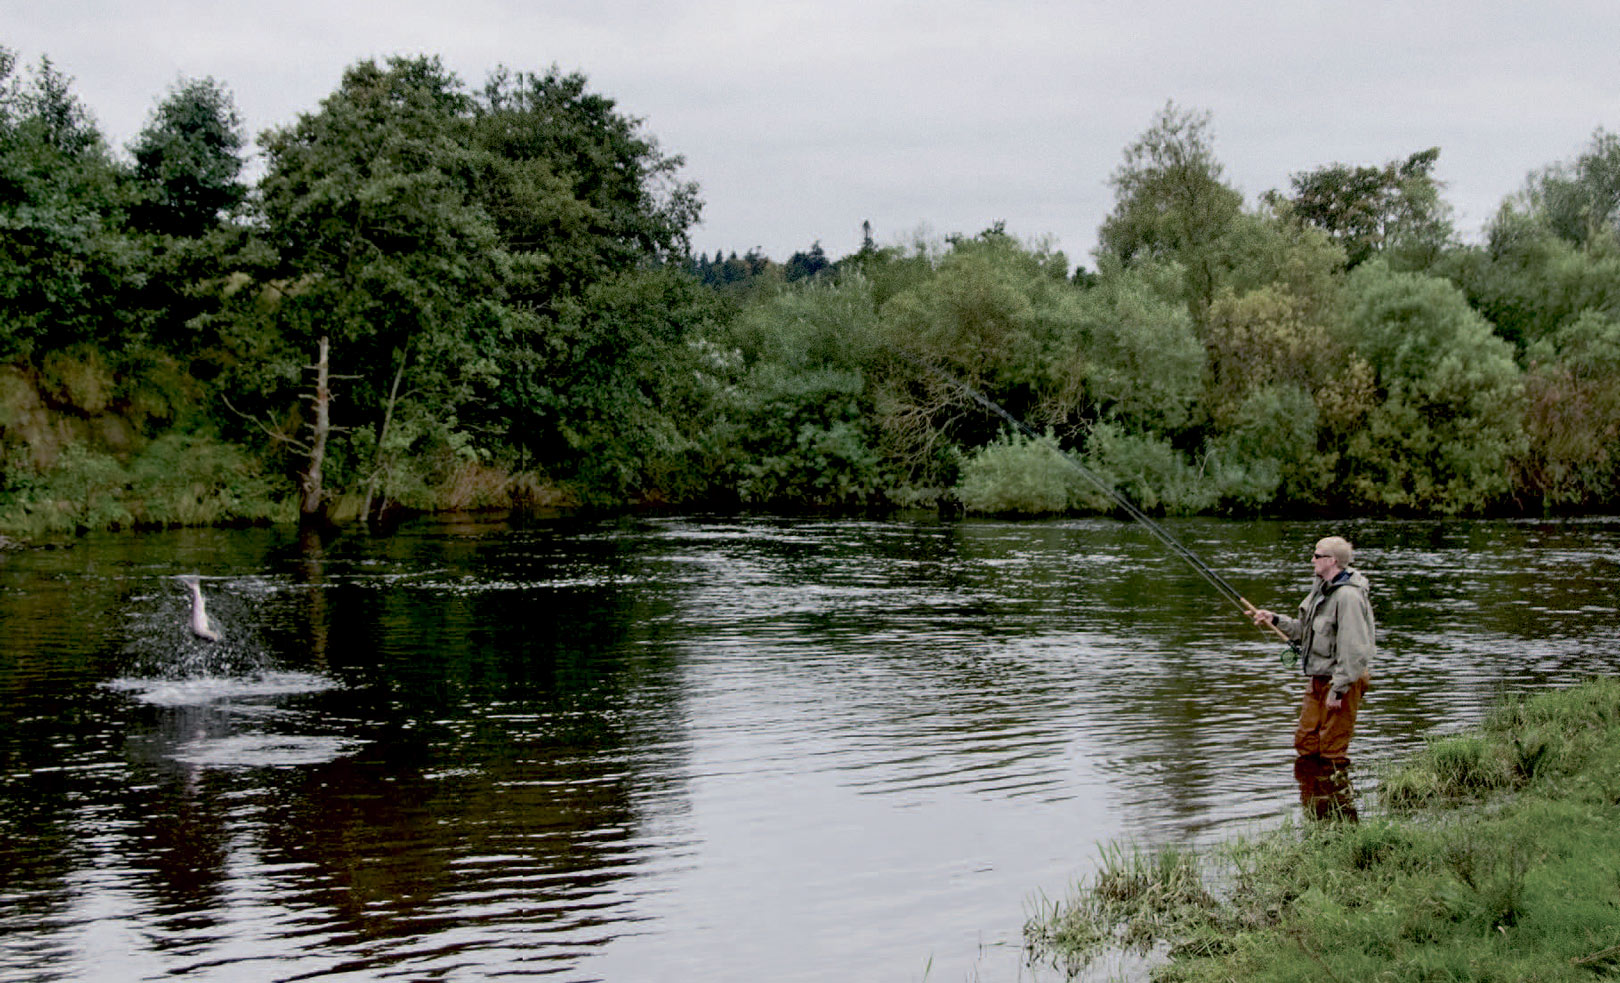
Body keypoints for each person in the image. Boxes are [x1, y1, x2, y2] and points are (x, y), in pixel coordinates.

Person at [1250, 536, 1374, 763]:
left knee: (1332, 751)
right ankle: (1312, 797)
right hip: (1318, 678)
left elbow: (1354, 650)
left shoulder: (1348, 597)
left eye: (1317, 556)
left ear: (1332, 561)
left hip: (1342, 681)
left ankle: (1336, 796)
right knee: (1306, 743)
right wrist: (1274, 619)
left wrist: (1338, 689)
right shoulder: (1321, 590)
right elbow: (1304, 632)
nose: (1312, 560)